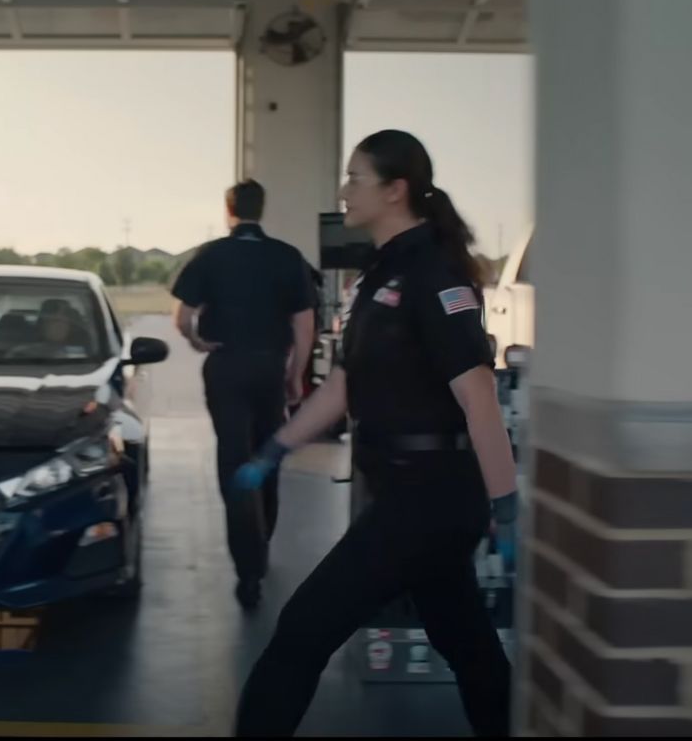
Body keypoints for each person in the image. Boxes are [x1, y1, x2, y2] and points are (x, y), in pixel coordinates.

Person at [230, 130, 517, 737]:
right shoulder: (377, 275)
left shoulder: (435, 276)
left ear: (396, 190)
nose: (343, 190)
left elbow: (478, 394)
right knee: (465, 640)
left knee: (304, 629)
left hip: (431, 495)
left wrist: (506, 502)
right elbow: (342, 387)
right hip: (406, 493)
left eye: (355, 178)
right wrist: (275, 449)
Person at [170, 179, 316, 610]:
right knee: (268, 453)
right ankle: (263, 540)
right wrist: (295, 375)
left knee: (233, 460)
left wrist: (198, 343)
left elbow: (182, 317)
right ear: (261, 209)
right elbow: (304, 325)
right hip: (270, 366)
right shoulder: (287, 257)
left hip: (226, 366)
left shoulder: (211, 254)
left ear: (228, 210)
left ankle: (247, 571)